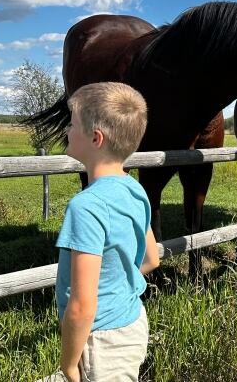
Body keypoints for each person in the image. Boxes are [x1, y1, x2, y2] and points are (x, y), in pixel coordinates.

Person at [45, 82, 160, 382]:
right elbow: (151, 258)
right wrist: (119, 283)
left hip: (101, 341)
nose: (67, 131)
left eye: (71, 124)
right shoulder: (134, 189)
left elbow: (82, 305)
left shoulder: (86, 207)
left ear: (96, 138)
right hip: (133, 321)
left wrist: (69, 364)